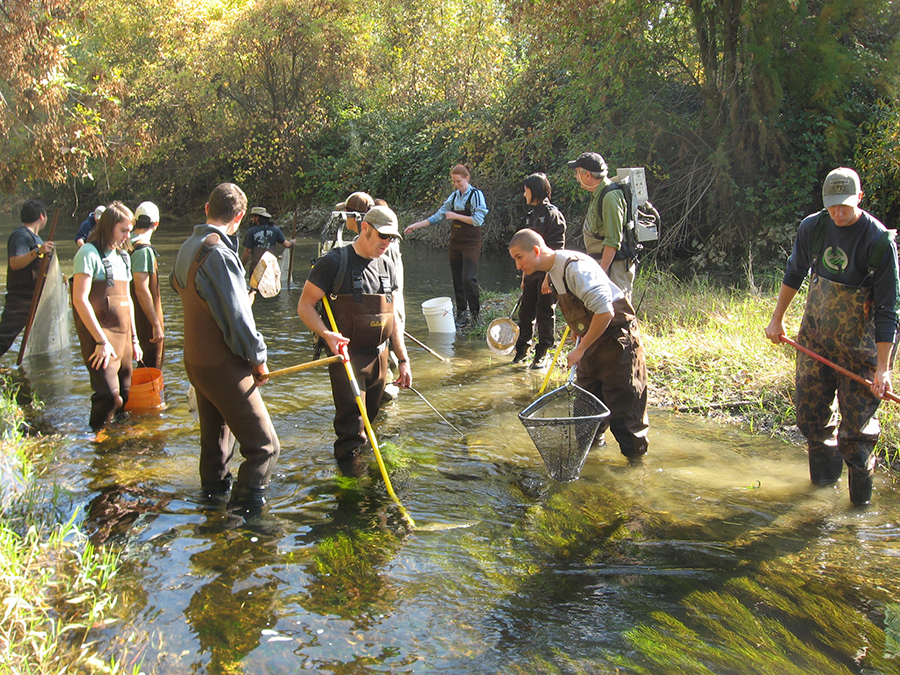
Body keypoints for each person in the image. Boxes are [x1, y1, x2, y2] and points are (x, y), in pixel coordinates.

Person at [765, 167, 900, 506]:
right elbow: (794, 273)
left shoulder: (879, 242)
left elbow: (888, 312)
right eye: (832, 206)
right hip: (815, 342)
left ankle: (856, 518)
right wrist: (776, 319)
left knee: (856, 435)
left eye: (845, 205)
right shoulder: (814, 227)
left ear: (860, 198)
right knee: (810, 419)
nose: (838, 213)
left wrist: (883, 369)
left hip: (861, 352)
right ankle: (819, 501)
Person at [172, 183, 280, 508]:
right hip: (222, 366)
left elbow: (197, 296)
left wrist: (240, 298)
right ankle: (250, 519)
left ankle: (213, 513)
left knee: (217, 446)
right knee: (265, 448)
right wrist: (258, 359)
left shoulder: (188, 246)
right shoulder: (219, 254)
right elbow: (237, 321)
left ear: (207, 208)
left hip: (196, 362)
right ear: (240, 217)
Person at [509, 228, 649, 460]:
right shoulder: (551, 271)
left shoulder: (575, 268)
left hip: (618, 342)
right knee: (586, 415)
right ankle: (592, 465)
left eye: (519, 257)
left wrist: (581, 349)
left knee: (625, 418)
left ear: (535, 250)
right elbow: (581, 307)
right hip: (594, 344)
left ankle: (635, 475)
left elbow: (605, 312)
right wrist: (578, 331)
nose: (517, 266)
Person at [298, 205, 412, 474]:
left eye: (391, 238)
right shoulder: (334, 263)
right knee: (351, 432)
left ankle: (368, 482)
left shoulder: (389, 264)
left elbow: (393, 317)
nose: (386, 243)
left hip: (381, 358)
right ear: (365, 229)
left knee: (371, 425)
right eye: (382, 236)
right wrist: (326, 334)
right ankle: (349, 490)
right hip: (347, 358)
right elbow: (304, 304)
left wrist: (403, 359)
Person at [71, 202, 142, 431]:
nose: (127, 236)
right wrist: (101, 341)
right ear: (109, 226)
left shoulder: (124, 257)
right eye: (123, 230)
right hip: (100, 337)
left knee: (124, 395)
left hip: (124, 338)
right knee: (108, 396)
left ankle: (117, 442)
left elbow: (128, 300)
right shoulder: (88, 253)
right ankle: (95, 438)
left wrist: (135, 339)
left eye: (129, 231)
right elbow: (79, 299)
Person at [404, 164, 488, 328]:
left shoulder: (476, 195)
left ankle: (476, 315)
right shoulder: (454, 197)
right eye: (454, 182)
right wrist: (415, 226)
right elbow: (438, 216)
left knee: (468, 278)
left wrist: (455, 215)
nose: (456, 185)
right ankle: (461, 314)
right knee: (457, 279)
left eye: (459, 182)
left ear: (467, 178)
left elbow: (478, 220)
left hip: (471, 241)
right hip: (455, 242)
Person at [512, 173, 566, 369]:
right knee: (525, 312)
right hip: (531, 274)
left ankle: (542, 353)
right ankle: (522, 350)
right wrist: (524, 276)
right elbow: (524, 250)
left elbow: (557, 250)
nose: (523, 194)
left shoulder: (553, 215)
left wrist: (548, 279)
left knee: (545, 313)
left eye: (525, 189)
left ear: (534, 190)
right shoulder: (530, 216)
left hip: (547, 275)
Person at [568, 152, 635, 298]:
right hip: (604, 262)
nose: (576, 177)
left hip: (614, 266)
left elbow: (613, 240)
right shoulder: (599, 193)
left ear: (588, 175)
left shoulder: (610, 196)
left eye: (577, 172)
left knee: (619, 311)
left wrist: (601, 273)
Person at [0, 200, 56, 357]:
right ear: (41, 216)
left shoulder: (37, 240)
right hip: (21, 299)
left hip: (38, 298)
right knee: (5, 336)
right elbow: (14, 263)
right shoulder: (21, 236)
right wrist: (37, 252)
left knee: (41, 341)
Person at [129, 201, 165, 369]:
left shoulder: (124, 242)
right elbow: (141, 290)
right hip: (144, 322)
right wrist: (156, 324)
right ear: (156, 224)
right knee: (151, 369)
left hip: (129, 321)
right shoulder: (143, 250)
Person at [240, 206, 295, 273]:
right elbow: (286, 244)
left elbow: (247, 251)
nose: (252, 219)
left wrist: (241, 266)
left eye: (253, 217)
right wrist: (293, 242)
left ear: (257, 218)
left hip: (256, 268)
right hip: (271, 267)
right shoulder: (275, 229)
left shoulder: (251, 231)